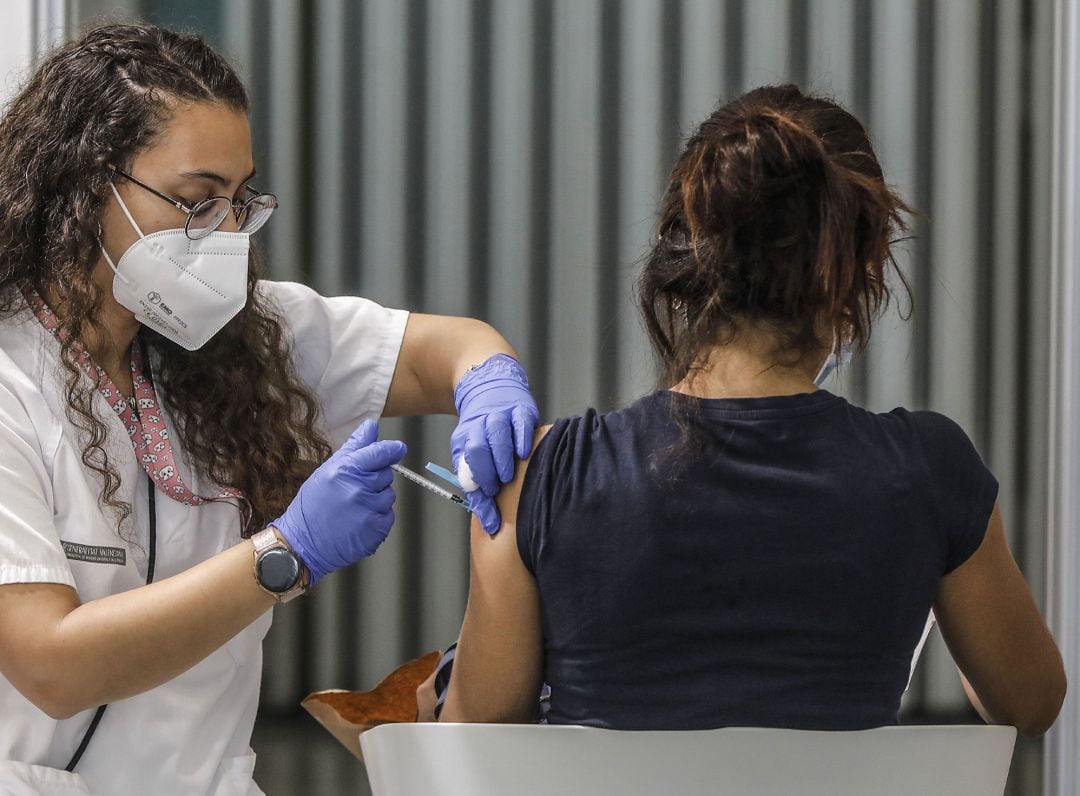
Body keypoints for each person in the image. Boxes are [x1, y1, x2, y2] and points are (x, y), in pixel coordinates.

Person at [0, 24, 537, 795]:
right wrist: (285, 554)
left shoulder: (230, 342)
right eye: (195, 202)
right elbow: (51, 664)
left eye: (237, 201)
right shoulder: (10, 381)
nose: (222, 235)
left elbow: (447, 346)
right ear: (87, 186)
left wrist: (488, 384)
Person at [436, 86, 1066, 736]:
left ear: (685, 255)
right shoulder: (932, 472)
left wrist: (445, 686)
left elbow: (474, 741)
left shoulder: (541, 475)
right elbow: (1031, 703)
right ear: (857, 268)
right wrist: (932, 548)